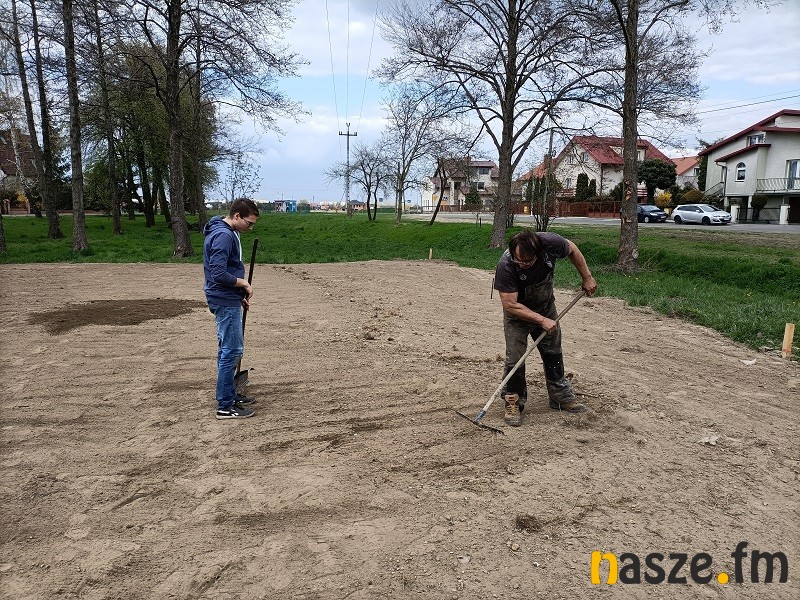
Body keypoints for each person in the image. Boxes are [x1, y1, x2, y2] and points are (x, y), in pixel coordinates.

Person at [493, 230, 597, 426]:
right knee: (515, 357)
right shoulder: (506, 265)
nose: (521, 264)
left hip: (545, 306)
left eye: (526, 262)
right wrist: (541, 320)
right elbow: (510, 304)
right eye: (517, 260)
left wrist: (587, 277)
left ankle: (559, 395)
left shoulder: (551, 243)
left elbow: (573, 249)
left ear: (539, 252)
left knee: (552, 351)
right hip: (517, 314)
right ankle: (513, 401)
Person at [203, 199, 260, 419]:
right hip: (223, 299)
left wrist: (238, 297)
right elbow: (218, 273)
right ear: (237, 216)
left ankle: (229, 394)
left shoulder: (226, 231)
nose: (250, 227)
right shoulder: (224, 235)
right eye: (249, 223)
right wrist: (243, 283)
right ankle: (225, 406)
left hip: (227, 298)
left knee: (227, 349)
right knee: (232, 351)